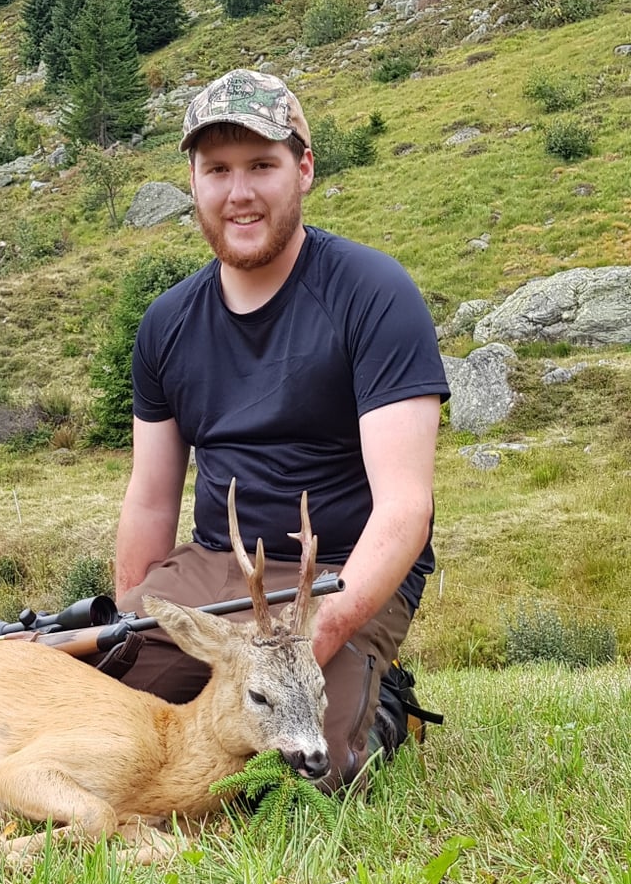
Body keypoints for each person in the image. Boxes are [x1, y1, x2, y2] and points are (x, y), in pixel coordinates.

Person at [110, 68, 450, 792]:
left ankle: (380, 700)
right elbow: (149, 498)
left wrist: (308, 643)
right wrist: (129, 628)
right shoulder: (166, 325)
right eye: (218, 170)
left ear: (303, 168)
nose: (239, 193)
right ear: (194, 182)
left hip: (341, 571)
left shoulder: (373, 294)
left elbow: (405, 510)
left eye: (261, 165)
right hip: (216, 569)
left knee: (293, 775)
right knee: (111, 715)